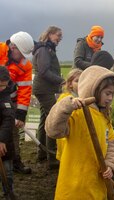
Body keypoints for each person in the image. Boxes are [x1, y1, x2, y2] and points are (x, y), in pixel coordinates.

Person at [45, 66, 114, 199]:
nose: (110, 98)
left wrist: (111, 166)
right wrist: (66, 106)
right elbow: (52, 130)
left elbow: (112, 146)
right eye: (107, 93)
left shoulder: (105, 118)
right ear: (94, 91)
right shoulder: (77, 114)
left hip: (97, 187)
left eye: (112, 94)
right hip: (75, 189)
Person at [0, 31, 34, 174]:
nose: (23, 58)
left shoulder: (25, 64)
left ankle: (15, 161)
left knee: (12, 131)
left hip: (10, 100)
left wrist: (20, 115)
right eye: (21, 54)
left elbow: (25, 90)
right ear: (13, 47)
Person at [32, 26, 64, 169]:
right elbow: (44, 71)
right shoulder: (44, 49)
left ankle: (42, 153)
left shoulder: (45, 48)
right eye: (58, 36)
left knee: (44, 119)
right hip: (44, 89)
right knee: (53, 119)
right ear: (50, 34)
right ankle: (52, 158)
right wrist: (61, 80)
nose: (60, 39)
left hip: (44, 89)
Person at [55, 68, 82, 161]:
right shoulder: (65, 98)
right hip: (66, 138)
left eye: (82, 80)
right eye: (77, 81)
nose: (80, 83)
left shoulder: (84, 98)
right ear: (70, 84)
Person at [0, 66, 15, 197]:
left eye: (4, 86)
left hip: (5, 144)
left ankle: (9, 193)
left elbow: (8, 119)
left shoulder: (5, 97)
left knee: (7, 172)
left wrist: (1, 140)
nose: (2, 89)